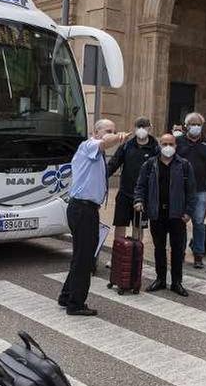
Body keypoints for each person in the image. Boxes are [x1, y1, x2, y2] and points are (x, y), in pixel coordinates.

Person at [59, 119, 131, 316]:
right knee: (84, 259)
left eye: (114, 130)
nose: (111, 133)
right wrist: (119, 137)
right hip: (82, 209)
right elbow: (105, 142)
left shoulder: (98, 154)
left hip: (87, 210)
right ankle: (76, 304)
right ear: (96, 132)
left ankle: (67, 296)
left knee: (82, 256)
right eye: (107, 130)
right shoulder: (88, 146)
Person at [134, 133, 196, 296]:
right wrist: (139, 201)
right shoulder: (150, 165)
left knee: (177, 249)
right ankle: (160, 279)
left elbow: (191, 191)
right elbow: (140, 186)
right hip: (156, 213)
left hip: (177, 215)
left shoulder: (184, 165)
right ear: (159, 145)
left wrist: (189, 212)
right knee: (159, 248)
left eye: (171, 144)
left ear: (176, 146)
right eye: (164, 144)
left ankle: (177, 282)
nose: (167, 147)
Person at [176, 112, 206, 269]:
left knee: (199, 223)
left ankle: (198, 255)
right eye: (193, 124)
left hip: (200, 190)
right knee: (180, 222)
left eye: (198, 124)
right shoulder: (178, 141)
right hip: (180, 189)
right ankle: (179, 252)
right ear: (186, 126)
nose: (196, 127)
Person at [107, 116, 159, 238]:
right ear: (135, 128)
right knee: (120, 225)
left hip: (142, 196)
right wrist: (101, 177)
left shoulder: (155, 148)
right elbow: (112, 165)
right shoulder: (126, 146)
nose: (141, 129)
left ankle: (136, 254)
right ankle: (120, 253)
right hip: (125, 193)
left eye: (144, 126)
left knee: (138, 227)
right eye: (139, 126)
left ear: (149, 128)